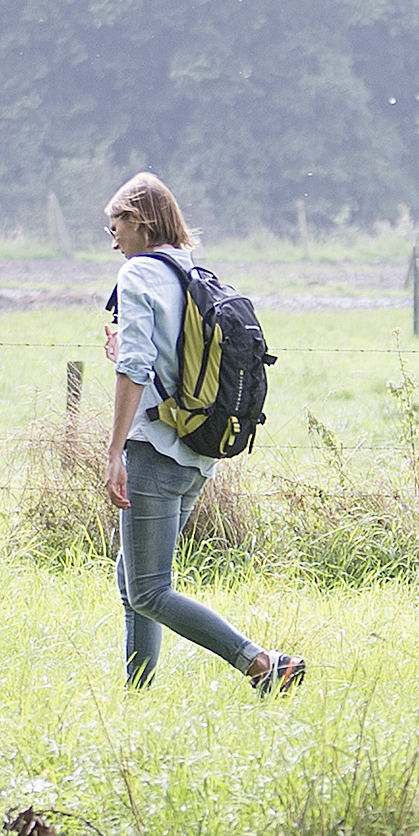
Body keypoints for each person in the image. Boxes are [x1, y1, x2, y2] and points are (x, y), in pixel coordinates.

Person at [98, 173, 308, 696]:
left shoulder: (138, 274)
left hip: (153, 451)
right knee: (134, 582)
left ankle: (262, 662)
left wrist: (114, 450)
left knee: (148, 589)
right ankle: (137, 693)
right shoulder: (190, 270)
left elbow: (137, 367)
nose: (112, 236)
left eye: (116, 223)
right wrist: (125, 354)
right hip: (196, 451)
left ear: (140, 220)